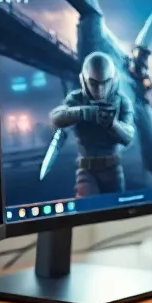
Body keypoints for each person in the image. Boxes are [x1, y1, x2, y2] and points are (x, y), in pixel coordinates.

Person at [50, 51, 136, 196]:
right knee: (87, 207)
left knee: (116, 211)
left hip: (113, 169)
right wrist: (86, 112)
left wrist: (112, 124)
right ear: (84, 80)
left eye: (105, 83)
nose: (100, 90)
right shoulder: (76, 98)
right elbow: (57, 118)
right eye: (94, 84)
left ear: (113, 80)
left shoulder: (122, 101)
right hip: (87, 171)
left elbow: (128, 136)